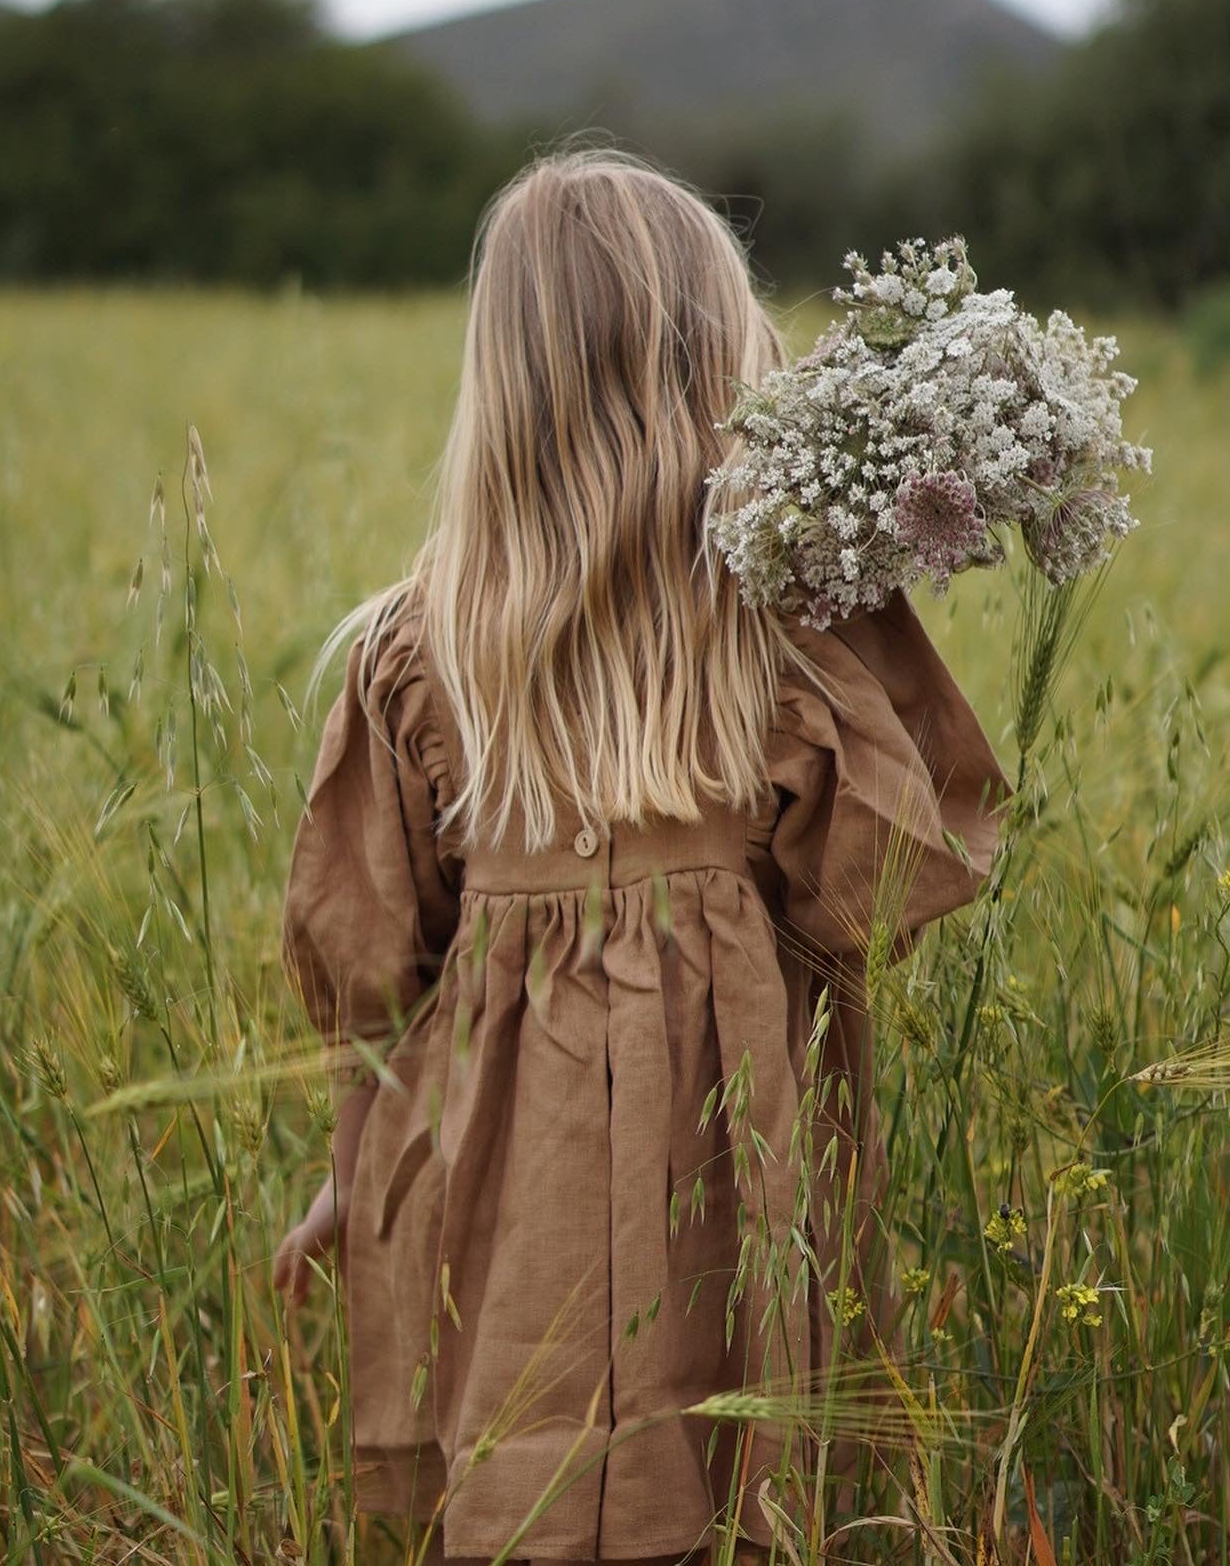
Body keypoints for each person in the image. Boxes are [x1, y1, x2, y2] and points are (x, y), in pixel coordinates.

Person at [272, 145, 1009, 1563]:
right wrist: (861, 609)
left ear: (504, 386)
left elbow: (372, 975)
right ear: (722, 361)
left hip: (488, 1199)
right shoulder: (778, 639)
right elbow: (892, 878)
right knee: (733, 1488)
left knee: (516, 1495)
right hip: (731, 1174)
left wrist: (358, 1169)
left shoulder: (413, 658)